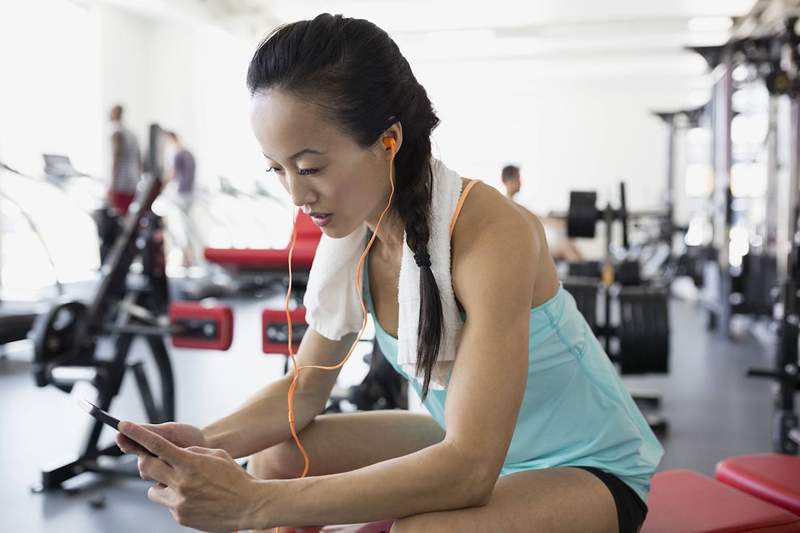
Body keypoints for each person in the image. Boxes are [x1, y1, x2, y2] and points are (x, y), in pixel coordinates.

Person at [115, 14, 662, 533]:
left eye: (310, 168)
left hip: (589, 466)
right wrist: (203, 441)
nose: (297, 195)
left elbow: (469, 469)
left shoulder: (494, 234)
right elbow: (304, 389)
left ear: (388, 141)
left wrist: (253, 504)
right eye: (278, 170)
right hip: (468, 437)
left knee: (426, 530)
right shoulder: (356, 240)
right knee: (280, 455)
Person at [502, 164, 583, 262]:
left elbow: (538, 218)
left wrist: (562, 224)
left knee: (569, 245)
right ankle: (585, 273)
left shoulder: (515, 205)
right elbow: (538, 219)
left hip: (528, 246)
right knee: (566, 247)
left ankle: (587, 272)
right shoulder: (508, 206)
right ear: (507, 181)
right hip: (522, 250)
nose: (520, 183)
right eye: (518, 178)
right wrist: (560, 224)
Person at [108, 104, 142, 216]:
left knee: (119, 215)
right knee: (129, 215)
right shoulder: (132, 133)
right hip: (133, 179)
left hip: (121, 181)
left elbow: (116, 158)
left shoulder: (117, 132)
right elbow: (139, 159)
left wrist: (112, 183)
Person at [163, 130, 196, 209]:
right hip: (188, 189)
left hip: (181, 191)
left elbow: (173, 172)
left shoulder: (178, 153)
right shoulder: (187, 152)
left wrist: (164, 184)